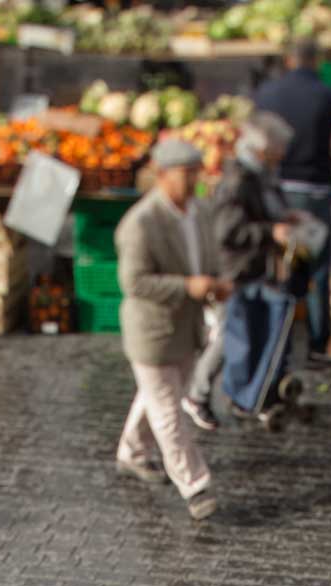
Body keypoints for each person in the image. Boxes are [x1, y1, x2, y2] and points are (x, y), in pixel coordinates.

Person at [114, 139, 229, 522]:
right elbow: (134, 282)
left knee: (158, 396)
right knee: (168, 410)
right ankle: (194, 485)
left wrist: (214, 281)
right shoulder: (141, 224)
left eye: (197, 172)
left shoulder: (199, 212)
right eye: (186, 174)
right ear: (163, 175)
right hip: (153, 333)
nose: (194, 180)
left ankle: (131, 453)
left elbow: (207, 258)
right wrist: (187, 286)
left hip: (186, 327)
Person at [254, 38, 331, 367]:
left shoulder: (267, 93)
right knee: (318, 269)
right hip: (314, 191)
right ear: (316, 62)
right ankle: (318, 342)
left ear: (289, 59)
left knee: (281, 265)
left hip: (278, 190)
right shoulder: (325, 95)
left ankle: (275, 341)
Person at [183, 111, 305, 433]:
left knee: (247, 333)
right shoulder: (239, 180)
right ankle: (197, 394)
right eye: (277, 151)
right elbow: (229, 232)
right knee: (227, 336)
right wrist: (271, 232)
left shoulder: (260, 175)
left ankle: (246, 395)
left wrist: (283, 220)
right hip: (234, 271)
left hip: (252, 269)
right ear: (262, 151)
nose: (281, 157)